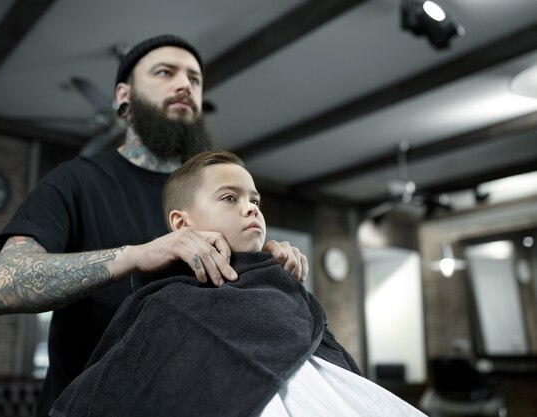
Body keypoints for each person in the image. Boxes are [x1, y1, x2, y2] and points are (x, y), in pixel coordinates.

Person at [0, 35, 308, 417]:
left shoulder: (213, 195)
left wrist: (262, 262)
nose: (185, 85)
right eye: (165, 72)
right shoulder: (75, 181)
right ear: (124, 95)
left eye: (195, 79)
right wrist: (137, 256)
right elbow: (2, 285)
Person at [49, 150, 427, 417]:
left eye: (254, 200)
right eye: (229, 198)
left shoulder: (279, 282)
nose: (251, 207)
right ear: (181, 224)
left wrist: (277, 281)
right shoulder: (167, 303)